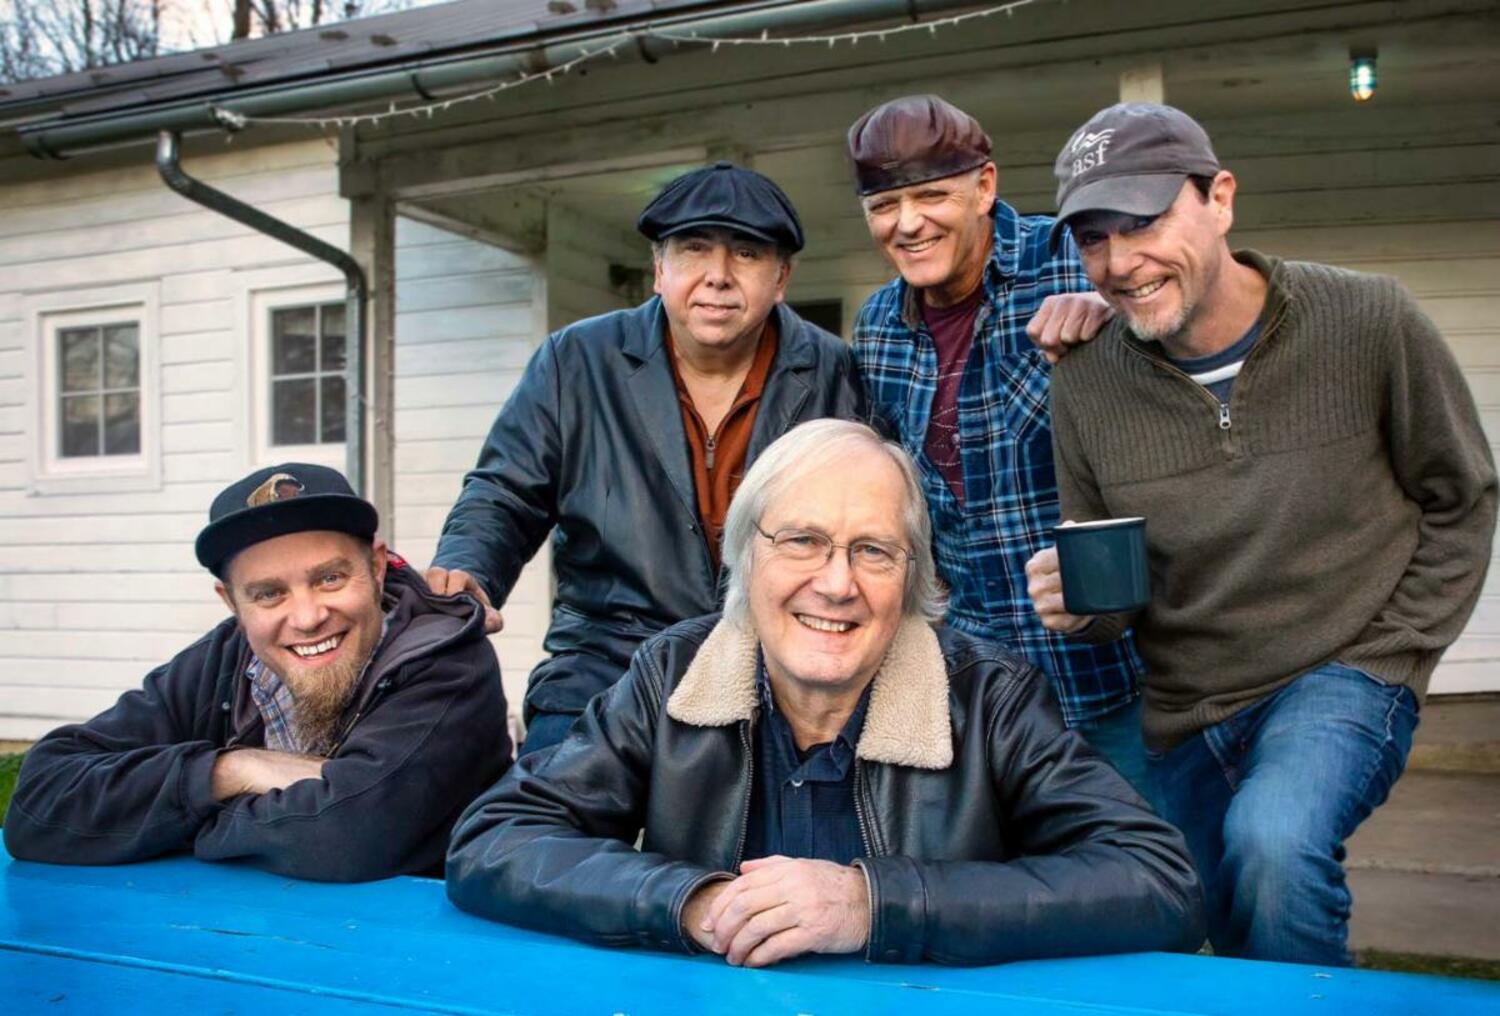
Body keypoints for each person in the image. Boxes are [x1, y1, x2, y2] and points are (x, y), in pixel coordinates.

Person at [446, 420, 1203, 968]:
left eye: (873, 551)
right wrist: (693, 901)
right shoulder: (673, 675)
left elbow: (1159, 881)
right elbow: (494, 840)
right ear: (746, 552)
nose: (836, 584)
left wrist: (872, 904)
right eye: (801, 541)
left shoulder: (987, 698)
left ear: (913, 577)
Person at [1025, 102, 1497, 965]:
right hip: (1187, 710)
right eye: (1094, 238)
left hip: (1341, 673)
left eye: (1146, 221)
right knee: (1226, 927)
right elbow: (1114, 599)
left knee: (1277, 848)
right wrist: (1076, 606)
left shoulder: (1368, 321)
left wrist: (1399, 651)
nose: (1122, 263)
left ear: (1221, 198)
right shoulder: (1084, 383)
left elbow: (1461, 495)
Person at [427, 162, 860, 756]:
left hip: (777, 662)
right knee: (537, 823)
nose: (718, 277)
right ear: (659, 270)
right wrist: (466, 569)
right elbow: (506, 491)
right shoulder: (576, 359)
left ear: (782, 277)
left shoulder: (836, 372)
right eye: (694, 251)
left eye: (747, 255)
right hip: (606, 657)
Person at [5, 463, 512, 882]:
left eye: (330, 578)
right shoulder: (222, 659)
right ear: (232, 603)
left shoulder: (449, 659)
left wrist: (167, 818)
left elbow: (345, 837)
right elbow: (38, 807)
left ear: (376, 567)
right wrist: (229, 770)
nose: (308, 616)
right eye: (269, 593)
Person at [847, 95, 1149, 792]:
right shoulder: (879, 327)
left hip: (1109, 677)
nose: (908, 223)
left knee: (1150, 884)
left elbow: (1183, 357)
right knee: (1011, 893)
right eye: (884, 205)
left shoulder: (1076, 262)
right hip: (973, 687)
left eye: (930, 196)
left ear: (985, 187)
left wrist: (1122, 318)